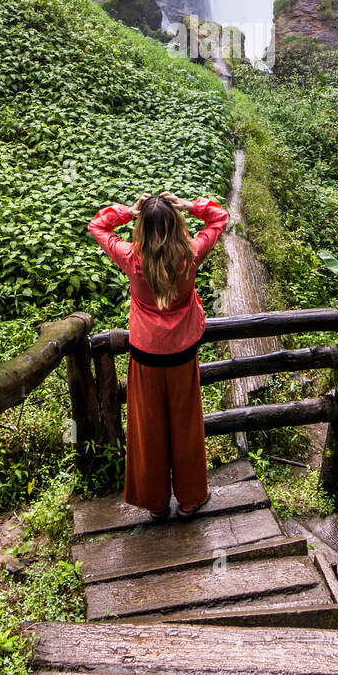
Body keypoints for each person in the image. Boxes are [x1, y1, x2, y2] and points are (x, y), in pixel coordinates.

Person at [87, 191, 229, 521]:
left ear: (143, 228)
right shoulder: (190, 254)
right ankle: (191, 498)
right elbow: (219, 217)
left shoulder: (130, 257)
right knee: (186, 426)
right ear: (175, 223)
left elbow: (98, 226)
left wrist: (127, 211)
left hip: (146, 355)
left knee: (147, 429)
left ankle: (156, 504)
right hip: (182, 354)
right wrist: (189, 205)